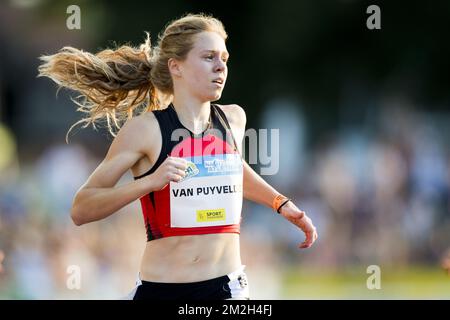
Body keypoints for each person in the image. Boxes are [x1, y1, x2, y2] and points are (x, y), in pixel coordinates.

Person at [37, 13, 318, 300]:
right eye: (209, 57)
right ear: (176, 66)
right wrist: (149, 182)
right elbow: (81, 209)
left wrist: (281, 204)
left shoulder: (234, 119)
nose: (221, 67)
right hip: (162, 290)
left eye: (224, 58)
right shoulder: (145, 131)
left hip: (227, 288)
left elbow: (233, 169)